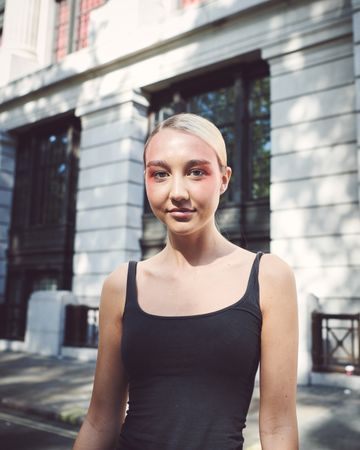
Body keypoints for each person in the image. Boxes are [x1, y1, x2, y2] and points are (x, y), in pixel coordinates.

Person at [72, 113, 299, 450]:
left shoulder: (269, 277)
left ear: (223, 179)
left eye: (196, 172)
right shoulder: (121, 284)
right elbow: (100, 420)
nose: (177, 192)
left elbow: (278, 428)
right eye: (160, 174)